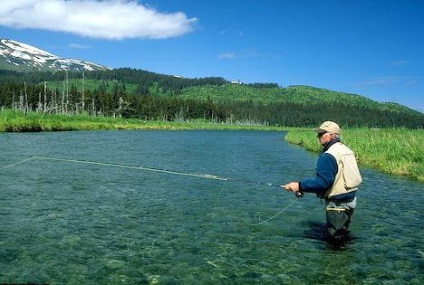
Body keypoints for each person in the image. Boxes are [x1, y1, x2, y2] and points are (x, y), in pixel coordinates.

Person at [282, 121, 362, 243]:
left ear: (331, 135)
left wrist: (299, 185)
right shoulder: (346, 150)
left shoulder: (328, 155)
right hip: (350, 200)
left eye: (321, 134)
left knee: (335, 242)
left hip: (337, 204)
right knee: (342, 236)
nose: (318, 137)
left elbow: (322, 183)